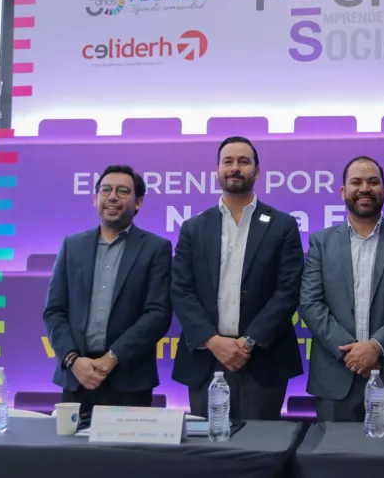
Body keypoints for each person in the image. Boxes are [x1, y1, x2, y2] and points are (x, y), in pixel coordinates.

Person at [171, 136, 304, 420]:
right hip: (206, 359)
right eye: (228, 161)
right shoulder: (193, 228)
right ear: (217, 170)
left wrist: (249, 342)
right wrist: (212, 340)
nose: (235, 168)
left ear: (257, 171)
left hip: (263, 359)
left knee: (258, 443)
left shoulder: (282, 225)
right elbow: (181, 291)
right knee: (207, 444)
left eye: (244, 162)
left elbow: (288, 291)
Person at [299, 156, 384, 422]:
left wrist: (376, 347)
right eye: (356, 182)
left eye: (373, 182)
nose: (364, 189)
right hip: (335, 380)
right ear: (343, 191)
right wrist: (352, 354)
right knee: (335, 450)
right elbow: (310, 303)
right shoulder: (321, 242)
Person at [43, 165, 173, 418]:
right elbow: (54, 311)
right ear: (95, 198)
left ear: (138, 202)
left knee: (126, 445)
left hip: (129, 380)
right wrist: (73, 360)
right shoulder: (72, 246)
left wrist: (111, 358)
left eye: (123, 191)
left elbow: (158, 314)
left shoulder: (156, 249)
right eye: (106, 190)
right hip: (77, 378)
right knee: (69, 444)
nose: (112, 197)